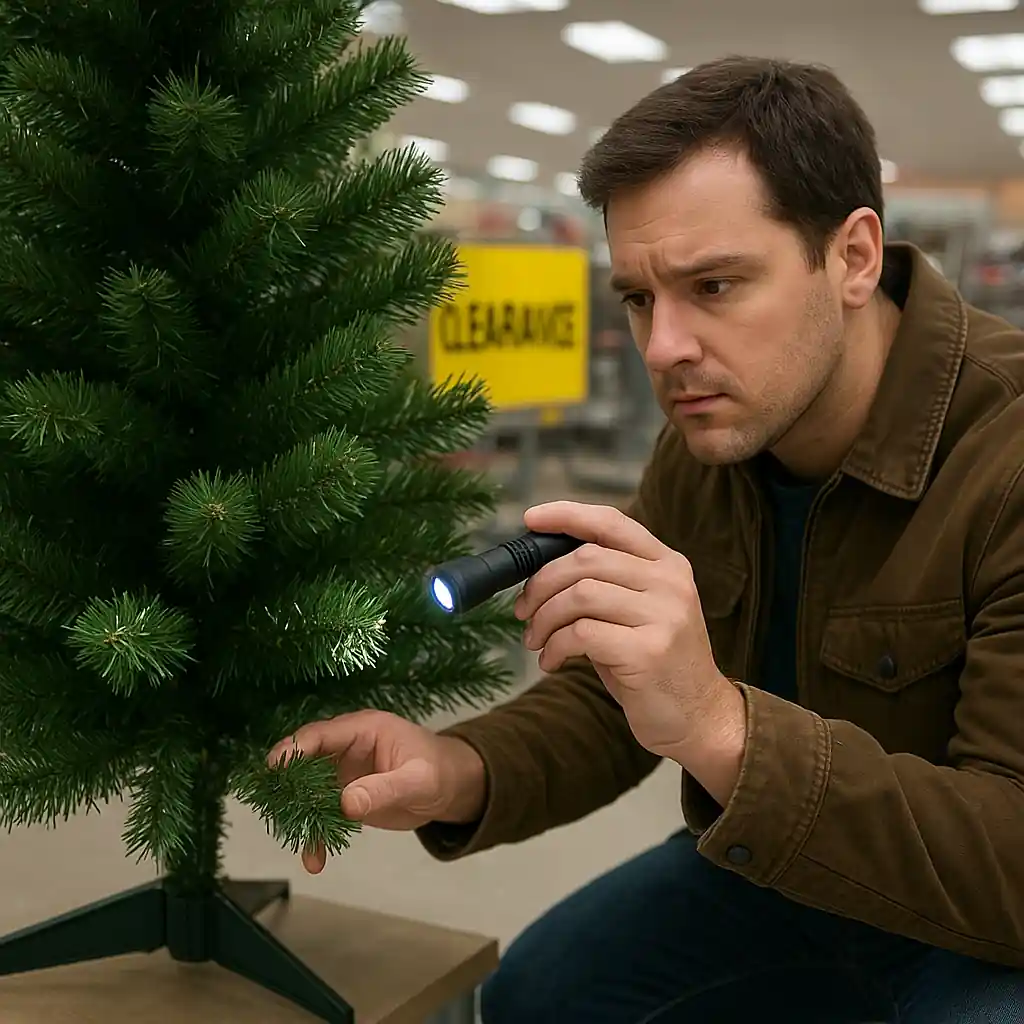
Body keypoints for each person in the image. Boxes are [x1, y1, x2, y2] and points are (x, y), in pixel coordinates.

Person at [268, 56, 1024, 1022]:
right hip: (779, 869)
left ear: (853, 257)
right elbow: (618, 699)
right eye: (638, 297)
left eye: (714, 285)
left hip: (974, 918)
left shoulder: (1004, 456)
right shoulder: (707, 441)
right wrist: (461, 770)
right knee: (540, 993)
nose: (663, 348)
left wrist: (718, 726)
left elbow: (1011, 856)